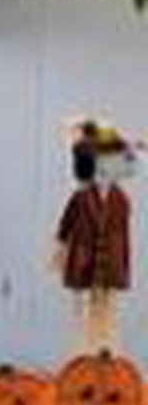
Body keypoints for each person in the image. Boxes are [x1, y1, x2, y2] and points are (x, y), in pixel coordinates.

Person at [54, 117, 134, 356]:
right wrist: (60, 255)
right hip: (84, 265)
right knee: (82, 320)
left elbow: (124, 239)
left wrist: (123, 268)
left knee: (107, 321)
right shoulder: (80, 198)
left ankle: (104, 357)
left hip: (110, 269)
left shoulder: (122, 200)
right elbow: (64, 229)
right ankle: (82, 359)